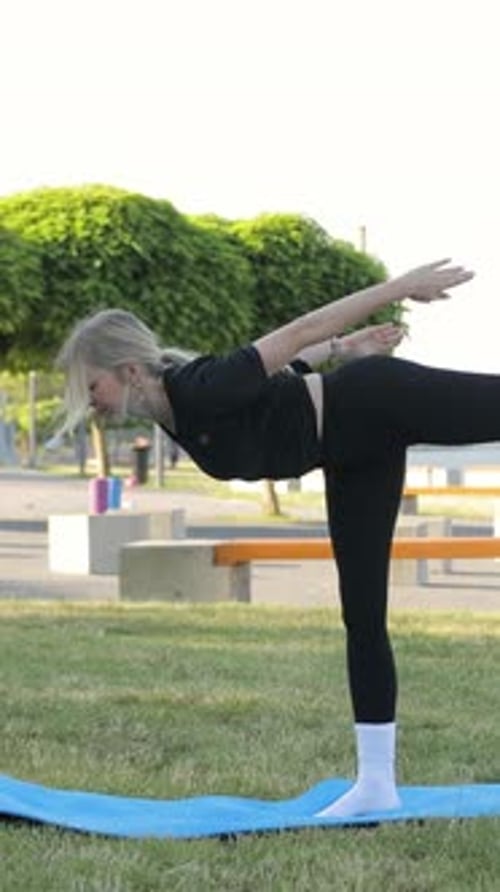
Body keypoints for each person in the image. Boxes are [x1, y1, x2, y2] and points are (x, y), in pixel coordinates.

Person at [58, 258, 494, 819]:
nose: (89, 401)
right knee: (362, 614)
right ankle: (376, 782)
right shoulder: (173, 410)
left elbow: (298, 332)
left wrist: (400, 288)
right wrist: (344, 348)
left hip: (376, 401)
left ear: (128, 371)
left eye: (92, 386)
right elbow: (278, 380)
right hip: (351, 454)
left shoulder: (199, 386)